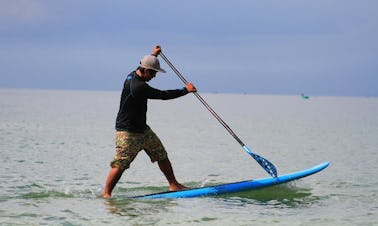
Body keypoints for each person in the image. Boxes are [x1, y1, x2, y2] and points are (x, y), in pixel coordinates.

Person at [103, 46, 197, 198]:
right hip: (128, 132)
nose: (154, 76)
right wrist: (185, 90)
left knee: (161, 154)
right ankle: (106, 194)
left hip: (143, 129)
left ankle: (174, 185)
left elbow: (146, 63)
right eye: (153, 72)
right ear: (145, 70)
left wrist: (154, 55)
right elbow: (163, 95)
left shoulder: (133, 73)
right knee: (121, 163)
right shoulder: (138, 87)